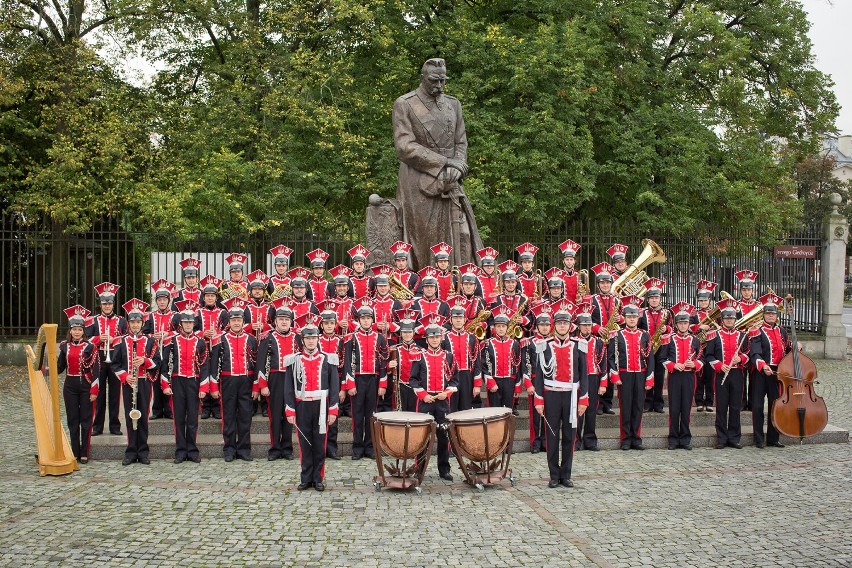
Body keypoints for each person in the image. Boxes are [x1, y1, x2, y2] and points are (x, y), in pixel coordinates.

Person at [393, 57, 483, 268]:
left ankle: (460, 284)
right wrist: (445, 162)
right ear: (423, 78)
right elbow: (404, 146)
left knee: (462, 234)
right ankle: (427, 289)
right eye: (434, 80)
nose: (439, 85)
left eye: (443, 81)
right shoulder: (405, 104)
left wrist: (458, 165)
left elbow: (461, 142)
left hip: (450, 178)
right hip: (419, 179)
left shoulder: (453, 104)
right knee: (425, 238)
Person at [532, 302, 588, 488]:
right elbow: (539, 375)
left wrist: (583, 399)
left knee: (570, 436)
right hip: (551, 396)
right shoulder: (544, 346)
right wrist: (538, 399)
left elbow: (584, 374)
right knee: (552, 435)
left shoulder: (579, 346)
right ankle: (554, 475)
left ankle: (566, 474)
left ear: (570, 326)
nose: (562, 326)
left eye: (565, 323)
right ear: (554, 325)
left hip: (572, 396)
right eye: (559, 323)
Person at [285, 317, 340, 491]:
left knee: (319, 443)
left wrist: (333, 410)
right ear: (303, 340)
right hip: (301, 407)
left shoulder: (328, 359)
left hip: (322, 406)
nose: (310, 341)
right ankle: (306, 477)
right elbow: (288, 387)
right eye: (307, 338)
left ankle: (318, 478)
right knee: (304, 443)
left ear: (318, 339)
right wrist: (290, 411)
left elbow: (334, 386)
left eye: (313, 338)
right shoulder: (293, 361)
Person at [111, 299, 161, 466]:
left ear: (142, 323)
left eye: (138, 322)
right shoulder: (121, 341)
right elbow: (115, 364)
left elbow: (157, 362)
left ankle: (143, 452)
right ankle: (131, 451)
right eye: (132, 322)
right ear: (128, 323)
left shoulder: (150, 341)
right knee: (129, 415)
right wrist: (125, 376)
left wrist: (145, 361)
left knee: (143, 417)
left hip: (144, 382)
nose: (135, 325)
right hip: (129, 383)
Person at [208, 297, 258, 462]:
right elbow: (214, 364)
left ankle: (244, 450)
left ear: (243, 321)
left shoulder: (251, 339)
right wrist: (214, 386)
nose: (236, 323)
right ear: (229, 321)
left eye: (239, 320)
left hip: (246, 380)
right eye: (234, 320)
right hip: (227, 381)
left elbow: (256, 363)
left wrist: (256, 386)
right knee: (228, 416)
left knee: (245, 416)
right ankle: (229, 449)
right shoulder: (219, 339)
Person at [410, 315, 458, 481]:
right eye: (432, 337)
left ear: (441, 338)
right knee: (422, 437)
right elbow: (413, 380)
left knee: (443, 436)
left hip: (443, 402)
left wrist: (447, 393)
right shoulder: (420, 356)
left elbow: (454, 379)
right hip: (425, 403)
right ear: (427, 339)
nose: (435, 339)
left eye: (437, 337)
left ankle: (444, 469)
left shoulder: (449, 356)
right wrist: (423, 395)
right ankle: (419, 468)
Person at [160, 303, 208, 464]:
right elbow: (165, 364)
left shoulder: (200, 342)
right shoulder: (172, 341)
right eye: (185, 322)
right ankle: (180, 451)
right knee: (179, 418)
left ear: (194, 324)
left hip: (194, 382)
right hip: (177, 381)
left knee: (193, 418)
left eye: (190, 322)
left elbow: (204, 365)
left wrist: (203, 386)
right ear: (181, 324)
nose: (188, 325)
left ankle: (192, 451)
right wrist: (165, 385)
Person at [343, 299, 389, 460]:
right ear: (359, 320)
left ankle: (370, 447)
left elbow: (383, 362)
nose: (366, 321)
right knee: (357, 415)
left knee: (371, 414)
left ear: (372, 320)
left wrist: (383, 384)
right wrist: (350, 384)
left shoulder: (380, 338)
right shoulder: (351, 338)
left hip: (374, 380)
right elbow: (347, 363)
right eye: (363, 318)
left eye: (368, 318)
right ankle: (357, 447)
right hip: (357, 380)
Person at [256, 300, 301, 461]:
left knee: (289, 413)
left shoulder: (297, 338)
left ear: (290, 321)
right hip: (274, 379)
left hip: (292, 380)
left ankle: (287, 448)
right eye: (280, 319)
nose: (283, 322)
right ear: (275, 321)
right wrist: (263, 385)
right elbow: (261, 363)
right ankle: (275, 448)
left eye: (286, 319)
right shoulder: (267, 338)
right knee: (274, 415)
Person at [608, 295, 654, 450]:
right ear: (625, 318)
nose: (632, 319)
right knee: (625, 407)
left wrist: (649, 378)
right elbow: (611, 357)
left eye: (634, 317)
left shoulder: (645, 335)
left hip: (640, 374)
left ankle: (636, 437)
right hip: (624, 375)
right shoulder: (616, 335)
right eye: (629, 317)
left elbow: (650, 358)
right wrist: (615, 375)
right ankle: (626, 438)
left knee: (638, 407)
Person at [59, 305, 100, 463]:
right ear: (70, 331)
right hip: (69, 385)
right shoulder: (64, 347)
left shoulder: (91, 347)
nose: (77, 332)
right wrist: (45, 369)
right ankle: (74, 451)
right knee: (72, 420)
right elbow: (60, 367)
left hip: (86, 385)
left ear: (84, 331)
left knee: (86, 419)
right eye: (74, 329)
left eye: (79, 329)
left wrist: (94, 390)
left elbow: (96, 370)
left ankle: (84, 452)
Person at [704, 299, 747, 449]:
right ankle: (722, 438)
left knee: (735, 407)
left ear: (735, 319)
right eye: (727, 318)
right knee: (721, 407)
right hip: (721, 373)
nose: (729, 320)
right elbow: (708, 356)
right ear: (722, 320)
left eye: (732, 318)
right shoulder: (714, 335)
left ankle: (734, 438)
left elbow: (748, 353)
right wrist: (719, 365)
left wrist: (740, 358)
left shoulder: (742, 336)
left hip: (736, 374)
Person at [86, 282, 128, 436]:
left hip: (115, 360)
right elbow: (86, 340)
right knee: (99, 393)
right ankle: (97, 426)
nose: (107, 306)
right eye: (104, 304)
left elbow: (125, 339)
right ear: (101, 305)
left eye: (110, 303)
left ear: (113, 304)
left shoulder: (122, 320)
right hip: (99, 360)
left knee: (115, 394)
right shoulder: (93, 320)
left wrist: (113, 339)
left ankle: (114, 426)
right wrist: (98, 338)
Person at [749, 292, 790, 449]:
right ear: (763, 315)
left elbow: (787, 347)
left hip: (778, 373)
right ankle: (758, 439)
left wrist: (795, 346)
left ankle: (773, 438)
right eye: (768, 313)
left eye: (773, 313)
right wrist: (763, 365)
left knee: (775, 406)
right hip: (761, 372)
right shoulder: (757, 331)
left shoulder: (782, 331)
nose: (771, 316)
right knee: (758, 406)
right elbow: (755, 352)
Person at [663, 302, 703, 450]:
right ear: (676, 325)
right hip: (674, 376)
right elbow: (662, 359)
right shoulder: (669, 339)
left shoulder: (695, 340)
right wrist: (673, 365)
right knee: (674, 409)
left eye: (685, 323)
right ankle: (673, 439)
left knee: (686, 408)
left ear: (689, 324)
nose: (683, 325)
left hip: (689, 377)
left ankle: (685, 438)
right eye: (680, 323)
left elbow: (702, 358)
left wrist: (695, 364)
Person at [573, 303, 607, 451]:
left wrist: (603, 383)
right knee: (578, 411)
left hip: (593, 378)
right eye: (584, 325)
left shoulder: (599, 342)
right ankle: (576, 441)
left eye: (589, 325)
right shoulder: (573, 342)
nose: (587, 328)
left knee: (592, 410)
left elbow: (604, 363)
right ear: (579, 326)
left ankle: (590, 441)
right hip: (579, 380)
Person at [523, 302, 556, 453]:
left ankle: (545, 442)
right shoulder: (529, 343)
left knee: (549, 412)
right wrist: (528, 383)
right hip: (535, 380)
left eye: (547, 325)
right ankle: (535, 442)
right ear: (537, 326)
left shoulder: (554, 343)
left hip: (550, 381)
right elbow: (525, 364)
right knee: (535, 414)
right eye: (542, 325)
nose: (544, 327)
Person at [589, 263, 621, 415]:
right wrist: (596, 328)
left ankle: (607, 403)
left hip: (613, 339)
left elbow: (623, 318)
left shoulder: (616, 300)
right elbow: (586, 318)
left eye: (608, 283)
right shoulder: (592, 299)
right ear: (598, 285)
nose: (606, 285)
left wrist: (619, 318)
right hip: (598, 339)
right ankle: (598, 404)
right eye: (603, 283)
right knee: (599, 370)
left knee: (611, 369)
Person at [144, 278, 177, 420]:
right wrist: (153, 335)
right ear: (156, 301)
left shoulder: (175, 316)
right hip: (155, 351)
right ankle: (157, 410)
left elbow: (180, 332)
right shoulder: (150, 316)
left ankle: (169, 409)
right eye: (160, 300)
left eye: (164, 299)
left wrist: (168, 334)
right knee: (155, 378)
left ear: (168, 300)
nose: (162, 302)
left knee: (168, 377)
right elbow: (144, 333)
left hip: (169, 350)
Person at [442, 296, 480, 412]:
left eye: (460, 318)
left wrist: (477, 384)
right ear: (451, 320)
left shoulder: (472, 338)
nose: (458, 320)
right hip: (450, 378)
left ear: (465, 320)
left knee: (466, 410)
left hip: (467, 376)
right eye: (455, 318)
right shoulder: (444, 338)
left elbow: (477, 362)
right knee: (451, 409)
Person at [481, 305, 523, 410]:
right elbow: (483, 365)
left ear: (507, 327)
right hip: (494, 381)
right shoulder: (488, 344)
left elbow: (518, 365)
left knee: (508, 412)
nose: (500, 329)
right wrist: (490, 382)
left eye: (503, 326)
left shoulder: (515, 344)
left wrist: (517, 386)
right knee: (494, 413)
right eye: (498, 326)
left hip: (510, 382)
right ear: (494, 328)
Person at [318, 304, 346, 458]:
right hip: (319, 383)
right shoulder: (315, 340)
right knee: (319, 417)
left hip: (336, 382)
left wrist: (343, 388)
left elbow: (345, 365)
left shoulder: (341, 341)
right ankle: (321, 447)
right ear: (322, 325)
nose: (329, 326)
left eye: (331, 323)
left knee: (333, 415)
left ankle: (332, 448)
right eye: (326, 323)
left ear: (335, 325)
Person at [638, 278, 670, 414]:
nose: (654, 300)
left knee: (659, 375)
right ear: (648, 300)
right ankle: (647, 402)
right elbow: (638, 329)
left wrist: (666, 329)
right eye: (651, 298)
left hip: (661, 348)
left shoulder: (667, 313)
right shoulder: (642, 313)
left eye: (656, 298)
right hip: (646, 349)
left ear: (660, 299)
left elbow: (673, 328)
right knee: (647, 375)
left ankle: (658, 403)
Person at [197, 275, 224, 420]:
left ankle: (216, 406)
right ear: (204, 298)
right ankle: (206, 407)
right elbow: (192, 330)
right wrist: (203, 333)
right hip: (203, 349)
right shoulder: (198, 313)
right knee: (204, 375)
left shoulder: (222, 313)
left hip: (217, 348)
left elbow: (226, 330)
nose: (209, 298)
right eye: (207, 296)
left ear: (216, 298)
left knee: (216, 376)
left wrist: (217, 334)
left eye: (212, 296)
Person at [691, 280, 718, 412]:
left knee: (710, 375)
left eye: (705, 300)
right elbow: (689, 326)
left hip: (711, 347)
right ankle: (699, 401)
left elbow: (721, 327)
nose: (703, 303)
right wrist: (699, 326)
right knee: (699, 375)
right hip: (699, 347)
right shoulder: (694, 313)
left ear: (710, 300)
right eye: (701, 301)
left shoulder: (715, 313)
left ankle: (709, 402)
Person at [388, 310, 422, 412]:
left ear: (413, 333)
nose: (407, 335)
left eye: (409, 332)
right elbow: (386, 369)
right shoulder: (394, 349)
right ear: (401, 334)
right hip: (400, 387)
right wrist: (389, 366)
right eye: (405, 332)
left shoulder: (421, 351)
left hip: (416, 388)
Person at [736, 269, 759, 411]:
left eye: (749, 289)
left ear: (753, 290)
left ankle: (753, 402)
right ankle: (742, 402)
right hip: (742, 341)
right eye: (744, 290)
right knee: (741, 374)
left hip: (755, 341)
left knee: (755, 374)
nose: (746, 292)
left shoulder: (758, 305)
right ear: (740, 291)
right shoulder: (737, 306)